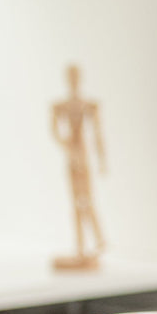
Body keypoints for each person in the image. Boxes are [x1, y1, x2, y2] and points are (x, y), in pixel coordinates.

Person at [51, 64, 106, 270]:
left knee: (87, 200)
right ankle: (81, 247)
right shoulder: (60, 106)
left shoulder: (88, 106)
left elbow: (98, 135)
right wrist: (66, 146)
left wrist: (102, 161)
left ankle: (99, 239)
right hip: (72, 156)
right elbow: (55, 131)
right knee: (75, 204)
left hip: (82, 154)